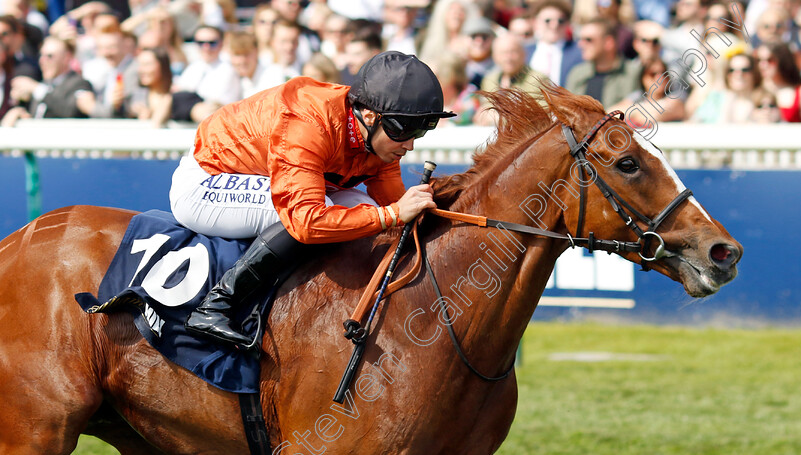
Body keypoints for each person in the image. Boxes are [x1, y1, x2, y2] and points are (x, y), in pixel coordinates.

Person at [169, 51, 454, 348]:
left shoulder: (378, 139)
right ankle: (217, 305)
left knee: (366, 210)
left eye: (420, 131)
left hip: (258, 177)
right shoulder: (309, 123)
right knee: (327, 213)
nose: (409, 144)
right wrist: (392, 214)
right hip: (206, 182)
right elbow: (306, 221)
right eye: (405, 130)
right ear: (369, 116)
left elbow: (396, 209)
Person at [2, 36, 93, 126]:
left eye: (49, 56)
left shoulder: (79, 83)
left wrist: (36, 88)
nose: (42, 60)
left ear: (67, 58)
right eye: (41, 55)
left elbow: (70, 111)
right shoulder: (43, 84)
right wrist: (18, 109)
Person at [565, 18, 642, 108]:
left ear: (608, 42)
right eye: (580, 39)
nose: (581, 44)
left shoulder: (633, 73)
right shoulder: (577, 74)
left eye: (588, 40)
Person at [524, 0, 581, 87]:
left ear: (568, 23)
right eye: (548, 21)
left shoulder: (579, 52)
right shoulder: (524, 52)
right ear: (535, 22)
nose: (554, 26)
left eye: (560, 21)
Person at [127, 46, 172, 127]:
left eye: (147, 64)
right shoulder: (137, 95)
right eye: (139, 65)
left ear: (162, 65)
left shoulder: (176, 94)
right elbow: (132, 106)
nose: (141, 70)